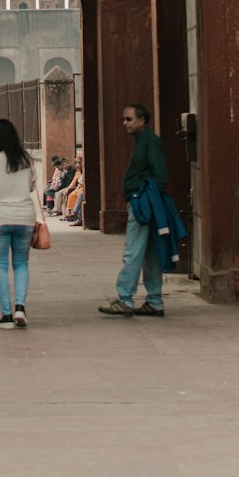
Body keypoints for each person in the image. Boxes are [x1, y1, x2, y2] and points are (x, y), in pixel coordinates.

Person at [98, 102, 168, 318]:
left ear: (142, 120)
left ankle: (125, 298)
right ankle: (154, 301)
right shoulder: (143, 141)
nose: (124, 123)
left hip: (143, 202)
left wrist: (148, 198)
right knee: (149, 253)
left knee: (133, 250)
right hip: (145, 200)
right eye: (123, 119)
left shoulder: (149, 142)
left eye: (128, 119)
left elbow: (160, 174)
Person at [0, 118, 38, 329]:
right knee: (21, 263)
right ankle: (20, 307)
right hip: (25, 217)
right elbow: (32, 187)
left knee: (0, 265)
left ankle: (6, 314)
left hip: (0, 218)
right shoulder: (27, 159)